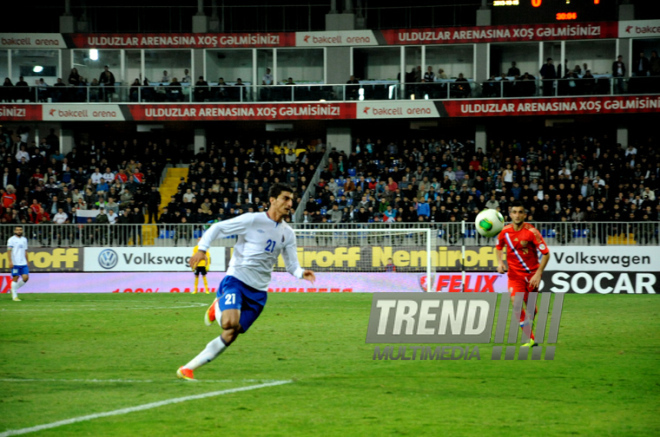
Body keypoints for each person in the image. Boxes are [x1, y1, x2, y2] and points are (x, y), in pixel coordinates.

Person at [177, 183, 316, 381]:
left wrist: (302, 273)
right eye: (285, 198)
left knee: (233, 333)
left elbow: (292, 265)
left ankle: (188, 368)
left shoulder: (288, 233)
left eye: (291, 199)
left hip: (259, 292)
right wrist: (202, 249)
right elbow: (217, 227)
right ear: (272, 200)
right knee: (229, 323)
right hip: (237, 279)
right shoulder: (252, 220)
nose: (290, 203)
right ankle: (217, 305)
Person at [495, 201, 550, 348]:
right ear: (510, 214)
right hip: (514, 276)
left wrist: (538, 274)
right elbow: (499, 246)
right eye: (515, 212)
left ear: (525, 215)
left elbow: (546, 254)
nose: (517, 215)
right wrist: (500, 262)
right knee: (516, 303)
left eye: (520, 212)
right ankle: (531, 339)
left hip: (531, 276)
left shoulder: (532, 232)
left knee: (531, 309)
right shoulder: (505, 231)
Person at [7, 226, 30, 302]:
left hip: (23, 263)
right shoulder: (11, 240)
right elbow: (9, 251)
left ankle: (14, 289)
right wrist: (10, 261)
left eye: (20, 230)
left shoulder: (24, 239)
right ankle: (15, 296)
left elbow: (25, 251)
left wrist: (27, 260)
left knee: (25, 278)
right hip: (15, 262)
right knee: (15, 278)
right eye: (17, 230)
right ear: (14, 231)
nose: (19, 231)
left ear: (22, 231)